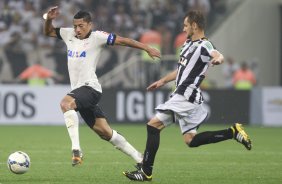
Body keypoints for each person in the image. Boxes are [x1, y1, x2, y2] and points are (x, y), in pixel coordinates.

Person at [123, 10, 252, 181]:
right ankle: (233, 132)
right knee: (190, 140)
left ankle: (146, 171)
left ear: (194, 25)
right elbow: (180, 71)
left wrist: (218, 60)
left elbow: (217, 54)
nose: (183, 29)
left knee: (153, 125)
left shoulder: (204, 45)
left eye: (185, 25)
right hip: (188, 96)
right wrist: (162, 81)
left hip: (186, 95)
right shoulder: (187, 45)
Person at [44, 7, 161, 167]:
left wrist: (147, 48)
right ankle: (140, 159)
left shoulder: (97, 37)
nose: (77, 29)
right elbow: (49, 32)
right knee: (106, 133)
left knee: (65, 103)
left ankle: (76, 150)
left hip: (91, 88)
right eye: (75, 26)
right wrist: (49, 20)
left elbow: (123, 40)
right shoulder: (68, 34)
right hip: (79, 93)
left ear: (90, 25)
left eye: (81, 26)